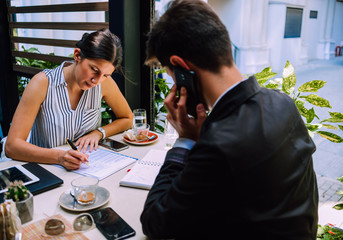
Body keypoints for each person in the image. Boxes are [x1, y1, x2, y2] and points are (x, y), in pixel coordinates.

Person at [140, 1, 318, 239]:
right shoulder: (283, 102)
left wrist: (185, 140)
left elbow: (155, 223)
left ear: (180, 66)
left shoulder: (218, 143)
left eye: (172, 76)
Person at [5, 29, 133, 170]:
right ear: (77, 56)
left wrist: (99, 133)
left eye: (105, 75)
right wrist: (59, 157)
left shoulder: (104, 84)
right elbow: (12, 146)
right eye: (94, 70)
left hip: (85, 169)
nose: (96, 80)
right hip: (46, 169)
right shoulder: (42, 83)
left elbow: (127, 118)